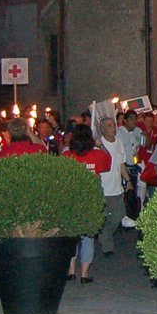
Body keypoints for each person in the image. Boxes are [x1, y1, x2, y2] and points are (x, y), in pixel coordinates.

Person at [65, 124, 112, 284]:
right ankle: (84, 274)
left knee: (72, 237)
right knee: (88, 237)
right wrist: (101, 145)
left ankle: (71, 270)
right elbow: (108, 164)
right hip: (91, 200)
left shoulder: (67, 155)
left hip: (72, 200)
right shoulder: (97, 154)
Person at [94, 114, 134, 258]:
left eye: (114, 125)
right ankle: (107, 246)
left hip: (117, 187)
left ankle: (104, 236)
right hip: (104, 187)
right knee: (105, 217)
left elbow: (121, 163)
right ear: (102, 129)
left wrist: (128, 181)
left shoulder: (118, 142)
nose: (113, 128)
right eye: (109, 126)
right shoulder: (98, 144)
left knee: (118, 216)